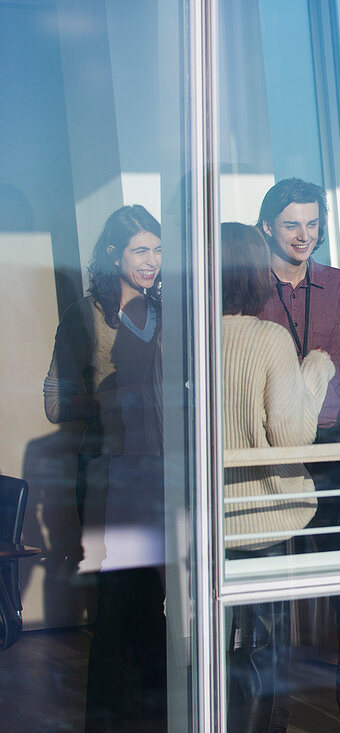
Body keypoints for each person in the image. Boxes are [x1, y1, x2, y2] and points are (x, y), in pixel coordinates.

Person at [255, 178, 340, 732]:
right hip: (267, 454)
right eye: (292, 224)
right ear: (268, 227)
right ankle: (269, 720)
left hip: (334, 450)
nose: (304, 235)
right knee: (270, 603)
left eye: (313, 224)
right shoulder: (243, 287)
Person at [44, 204, 167, 731]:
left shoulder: (169, 313)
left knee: (161, 601)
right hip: (109, 475)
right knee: (119, 604)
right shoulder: (83, 315)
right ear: (114, 253)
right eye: (141, 250)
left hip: (164, 474)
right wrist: (113, 398)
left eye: (158, 250)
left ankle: (158, 716)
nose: (152, 262)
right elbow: (55, 402)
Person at [220, 222, 334, 733]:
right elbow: (293, 436)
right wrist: (317, 368)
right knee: (266, 649)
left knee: (217, 647)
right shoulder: (269, 339)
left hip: (209, 519)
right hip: (264, 516)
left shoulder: (178, 342)